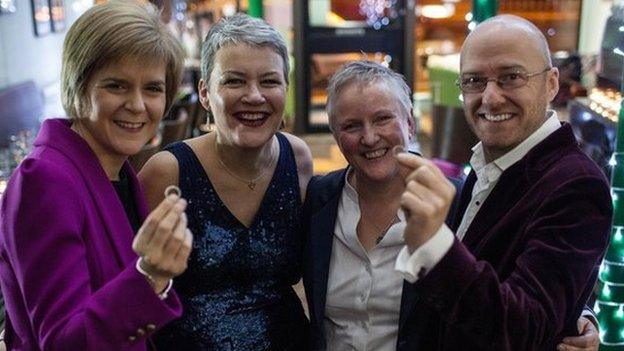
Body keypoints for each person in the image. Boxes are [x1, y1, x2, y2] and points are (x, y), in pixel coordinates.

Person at [302, 60, 601, 351]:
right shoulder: (318, 198)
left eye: (382, 119)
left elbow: (512, 276)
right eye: (351, 126)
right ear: (336, 135)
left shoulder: (461, 200)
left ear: (410, 124)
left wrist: (576, 315)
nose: (369, 137)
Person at [396, 15, 611, 350]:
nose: (491, 97)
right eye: (474, 81)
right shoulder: (490, 161)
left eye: (511, 77)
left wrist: (434, 244)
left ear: (551, 84)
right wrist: (573, 311)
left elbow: (525, 328)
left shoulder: (577, 185)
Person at [0, 1, 192, 350]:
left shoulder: (116, 169)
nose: (137, 105)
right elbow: (62, 341)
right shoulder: (44, 179)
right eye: (116, 86)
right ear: (79, 86)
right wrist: (150, 275)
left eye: (152, 88)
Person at [138, 13, 313, 350]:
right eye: (234, 81)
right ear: (205, 93)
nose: (254, 96)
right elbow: (135, 289)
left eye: (269, 81)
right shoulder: (167, 171)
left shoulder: (298, 158)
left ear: (285, 90)